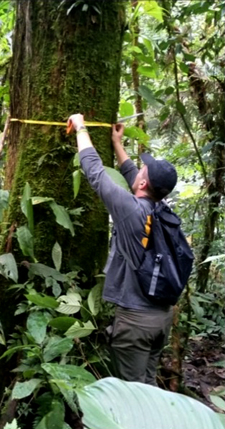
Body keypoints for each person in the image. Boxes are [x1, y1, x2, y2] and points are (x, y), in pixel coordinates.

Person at [69, 113, 178, 384]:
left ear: (143, 184)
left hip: (136, 322)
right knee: (149, 386)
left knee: (133, 394)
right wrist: (117, 143)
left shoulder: (131, 211)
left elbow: (95, 172)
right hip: (161, 320)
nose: (138, 169)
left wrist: (80, 126)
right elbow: (132, 175)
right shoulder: (161, 210)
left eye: (143, 171)